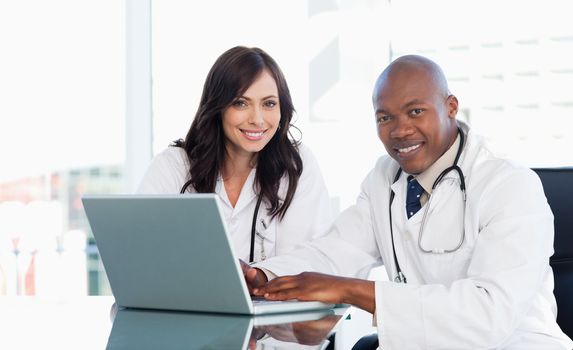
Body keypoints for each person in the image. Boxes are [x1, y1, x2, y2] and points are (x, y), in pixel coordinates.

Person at [244, 55, 573, 349]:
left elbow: (488, 315)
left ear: (451, 107)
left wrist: (351, 290)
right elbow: (336, 251)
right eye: (384, 118)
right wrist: (265, 277)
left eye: (415, 111)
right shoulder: (383, 179)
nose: (399, 130)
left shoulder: (510, 186)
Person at [137, 46, 333, 263]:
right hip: (184, 298)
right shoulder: (173, 165)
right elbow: (141, 253)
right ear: (217, 107)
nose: (257, 119)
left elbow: (310, 261)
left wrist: (261, 276)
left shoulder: (297, 164)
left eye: (269, 104)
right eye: (241, 103)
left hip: (273, 298)